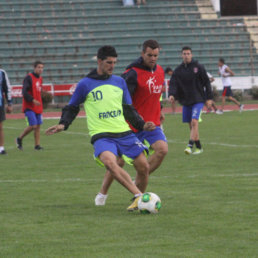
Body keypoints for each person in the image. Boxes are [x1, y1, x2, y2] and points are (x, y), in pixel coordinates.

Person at [45, 46, 156, 211]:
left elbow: (128, 109)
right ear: (99, 61)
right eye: (108, 62)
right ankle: (139, 197)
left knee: (143, 167)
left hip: (124, 132)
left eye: (114, 63)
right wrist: (63, 124)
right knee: (110, 163)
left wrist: (142, 124)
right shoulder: (85, 84)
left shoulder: (120, 82)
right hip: (102, 135)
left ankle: (138, 202)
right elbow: (72, 106)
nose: (112, 66)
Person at [95, 39, 168, 206]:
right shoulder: (132, 73)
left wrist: (160, 110)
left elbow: (155, 95)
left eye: (156, 55)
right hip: (131, 125)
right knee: (118, 162)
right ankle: (102, 193)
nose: (152, 58)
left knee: (162, 150)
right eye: (149, 55)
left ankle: (138, 193)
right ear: (142, 53)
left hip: (151, 124)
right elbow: (121, 99)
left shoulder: (160, 71)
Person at [169, 46, 212, 155]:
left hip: (198, 99)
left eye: (188, 53)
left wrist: (209, 98)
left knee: (194, 122)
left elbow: (207, 82)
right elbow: (173, 83)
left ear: (191, 55)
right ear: (181, 55)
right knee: (191, 126)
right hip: (186, 101)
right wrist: (171, 94)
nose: (186, 55)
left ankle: (189, 145)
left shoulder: (198, 67)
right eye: (184, 53)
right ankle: (199, 147)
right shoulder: (178, 70)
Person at [16, 61, 44, 151]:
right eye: (39, 67)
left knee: (38, 126)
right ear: (34, 68)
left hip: (38, 105)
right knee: (33, 125)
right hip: (29, 106)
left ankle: (37, 145)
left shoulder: (40, 78)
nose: (40, 69)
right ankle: (19, 138)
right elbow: (24, 91)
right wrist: (32, 100)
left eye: (42, 67)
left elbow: (38, 91)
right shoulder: (29, 78)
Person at [0, 68, 12, 155]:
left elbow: (7, 88)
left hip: (0, 103)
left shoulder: (2, 73)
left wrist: (9, 103)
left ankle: (1, 148)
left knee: (0, 127)